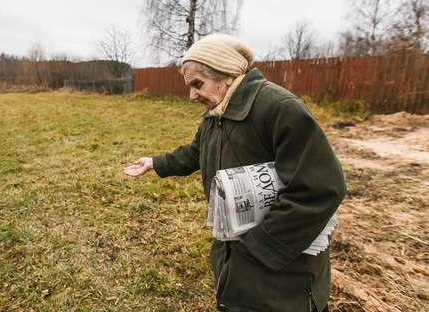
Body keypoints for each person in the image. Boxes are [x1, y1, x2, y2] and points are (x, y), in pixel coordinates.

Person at [123, 33, 346, 312]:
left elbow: (321, 189)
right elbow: (197, 151)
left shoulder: (279, 108)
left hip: (284, 269)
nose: (192, 96)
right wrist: (156, 163)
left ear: (226, 75)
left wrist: (259, 242)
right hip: (236, 250)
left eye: (197, 84)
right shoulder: (217, 112)